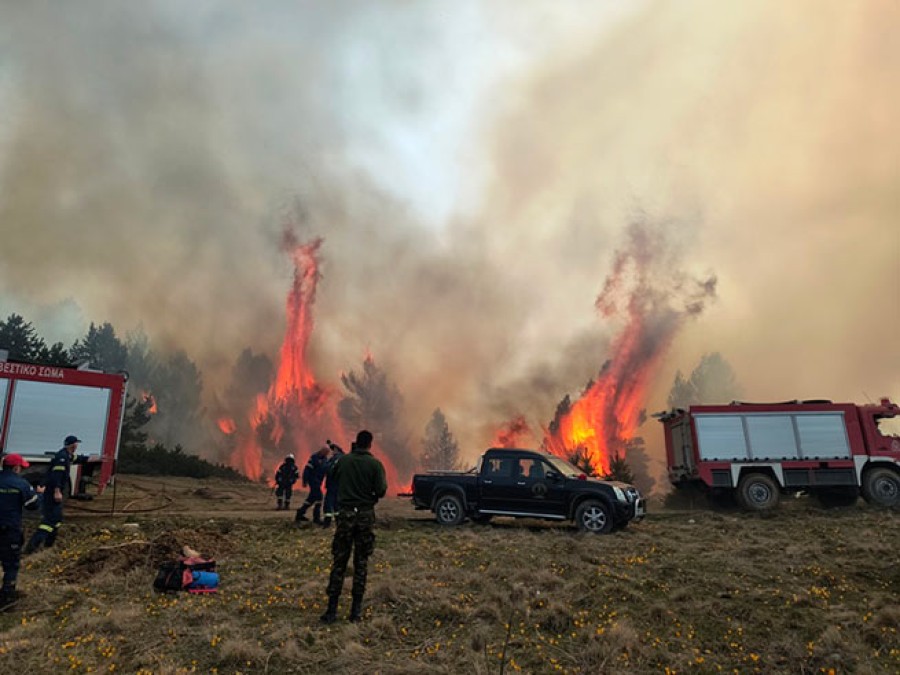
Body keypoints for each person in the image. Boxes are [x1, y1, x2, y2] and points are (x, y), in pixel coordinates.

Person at [320, 430, 387, 624]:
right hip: (365, 517)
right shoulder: (375, 464)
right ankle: (355, 612)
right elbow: (381, 490)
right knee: (361, 563)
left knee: (339, 562)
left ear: (356, 443)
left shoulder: (344, 461)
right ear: (370, 444)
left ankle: (331, 611)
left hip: (345, 516)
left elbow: (332, 476)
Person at [24, 435, 87, 553]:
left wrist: (95, 458)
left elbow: (78, 458)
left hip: (52, 493)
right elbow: (56, 476)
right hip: (52, 494)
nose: (77, 446)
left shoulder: (66, 455)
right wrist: (57, 492)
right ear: (72, 445)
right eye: (76, 443)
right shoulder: (62, 458)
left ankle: (48, 546)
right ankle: (32, 547)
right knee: (50, 521)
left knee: (56, 519)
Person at [0, 454, 42, 609]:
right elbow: (33, 505)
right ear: (16, 468)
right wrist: (39, 494)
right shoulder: (22, 484)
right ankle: (7, 599)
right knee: (11, 565)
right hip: (9, 531)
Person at [295, 446, 329, 524]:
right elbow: (307, 469)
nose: (326, 454)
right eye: (325, 452)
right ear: (321, 451)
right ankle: (316, 518)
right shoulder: (314, 458)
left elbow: (326, 470)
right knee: (319, 497)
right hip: (313, 480)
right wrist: (305, 480)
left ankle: (300, 513)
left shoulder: (325, 459)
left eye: (327, 453)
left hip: (318, 481)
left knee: (311, 499)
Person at [320, 440, 346, 528]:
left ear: (336, 450)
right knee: (336, 504)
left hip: (333, 484)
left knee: (329, 502)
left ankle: (327, 522)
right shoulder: (344, 458)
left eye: (332, 449)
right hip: (340, 485)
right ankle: (339, 521)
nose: (331, 452)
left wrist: (324, 462)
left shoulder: (336, 459)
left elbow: (328, 469)